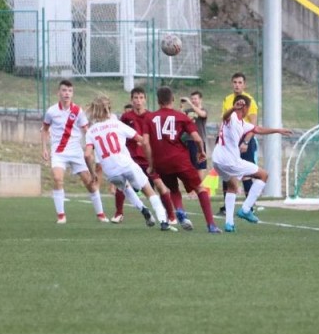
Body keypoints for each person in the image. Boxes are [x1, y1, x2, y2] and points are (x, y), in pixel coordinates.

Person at [83, 95, 175, 231]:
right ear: (108, 109)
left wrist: (92, 173)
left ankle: (144, 210)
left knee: (125, 189)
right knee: (149, 191)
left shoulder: (91, 131)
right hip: (126, 164)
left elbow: (87, 155)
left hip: (111, 171)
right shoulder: (117, 124)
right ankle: (163, 221)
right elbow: (141, 140)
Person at [212, 94, 293, 232]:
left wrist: (277, 130)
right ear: (245, 108)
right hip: (230, 161)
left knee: (232, 186)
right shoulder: (232, 118)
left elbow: (257, 129)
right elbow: (225, 117)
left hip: (217, 161)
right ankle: (246, 209)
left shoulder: (242, 124)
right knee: (263, 175)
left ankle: (229, 224)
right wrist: (233, 108)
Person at [145, 86, 221, 233]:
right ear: (172, 99)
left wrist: (151, 164)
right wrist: (201, 152)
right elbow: (197, 138)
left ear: (158, 100)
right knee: (200, 188)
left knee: (173, 189)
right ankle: (211, 225)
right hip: (179, 159)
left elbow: (146, 143)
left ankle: (180, 210)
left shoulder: (149, 118)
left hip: (161, 162)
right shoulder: (181, 116)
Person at [41, 80, 107, 223]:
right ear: (58, 93)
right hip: (58, 152)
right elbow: (45, 130)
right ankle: (61, 216)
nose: (67, 93)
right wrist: (44, 148)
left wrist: (92, 147)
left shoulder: (78, 111)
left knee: (89, 183)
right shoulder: (51, 111)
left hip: (76, 151)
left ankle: (101, 214)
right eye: (64, 90)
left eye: (70, 91)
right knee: (57, 178)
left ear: (72, 93)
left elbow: (86, 131)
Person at [112, 88, 177, 224]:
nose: (138, 101)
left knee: (159, 184)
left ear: (145, 100)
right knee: (122, 185)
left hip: (148, 159)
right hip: (131, 158)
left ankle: (171, 216)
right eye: (136, 98)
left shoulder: (151, 117)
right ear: (131, 100)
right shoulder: (126, 117)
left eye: (141, 98)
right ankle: (119, 213)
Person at [221, 73, 260, 211]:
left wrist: (246, 142)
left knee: (247, 174)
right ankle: (226, 207)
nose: (237, 85)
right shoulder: (227, 99)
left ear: (244, 85)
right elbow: (224, 120)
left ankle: (249, 206)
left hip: (244, 140)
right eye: (235, 82)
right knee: (227, 172)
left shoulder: (250, 101)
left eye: (240, 82)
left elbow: (253, 125)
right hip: (231, 141)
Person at [182, 91, 209, 180]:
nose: (193, 101)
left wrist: (190, 103)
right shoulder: (188, 111)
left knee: (199, 166)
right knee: (189, 166)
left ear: (200, 99)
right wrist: (181, 106)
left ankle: (200, 185)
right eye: (192, 99)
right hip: (188, 140)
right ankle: (193, 186)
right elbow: (180, 117)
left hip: (199, 141)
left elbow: (202, 114)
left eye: (195, 99)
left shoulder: (203, 110)